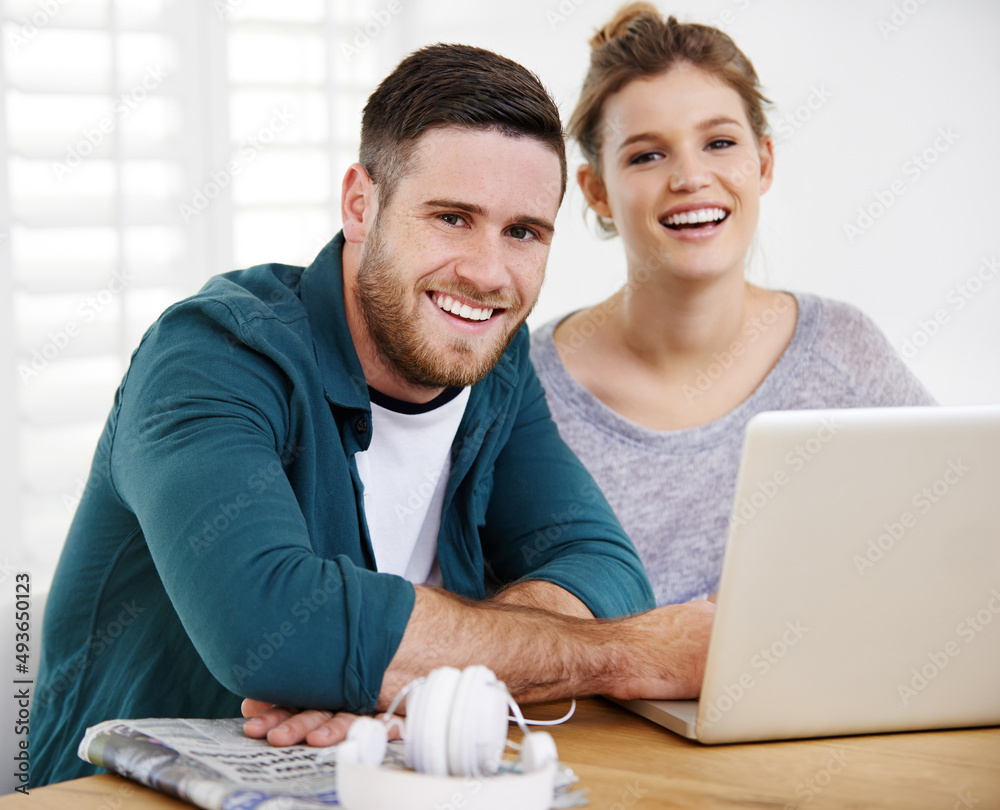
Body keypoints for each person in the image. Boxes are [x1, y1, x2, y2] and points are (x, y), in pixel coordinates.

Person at [31, 42, 715, 786]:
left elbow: (602, 567)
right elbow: (269, 630)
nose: (487, 274)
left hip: (368, 784)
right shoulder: (208, 355)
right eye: (452, 218)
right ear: (361, 205)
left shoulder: (494, 362)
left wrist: (420, 673)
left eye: (522, 232)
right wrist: (629, 653)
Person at [529, 3, 935, 608]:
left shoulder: (844, 351)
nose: (691, 177)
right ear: (596, 192)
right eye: (646, 155)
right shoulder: (527, 385)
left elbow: (960, 536)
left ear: (763, 163)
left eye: (719, 142)